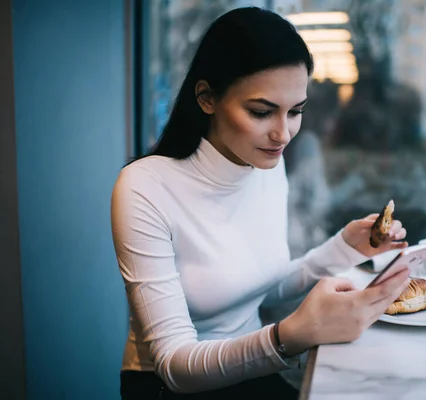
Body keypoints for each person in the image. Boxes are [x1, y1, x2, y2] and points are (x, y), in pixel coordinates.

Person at [111, 7, 409, 399]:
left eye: (296, 112)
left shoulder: (267, 165)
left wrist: (345, 248)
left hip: (254, 370)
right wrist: (288, 337)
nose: (283, 134)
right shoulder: (145, 187)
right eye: (261, 112)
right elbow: (174, 364)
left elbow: (261, 287)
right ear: (206, 98)